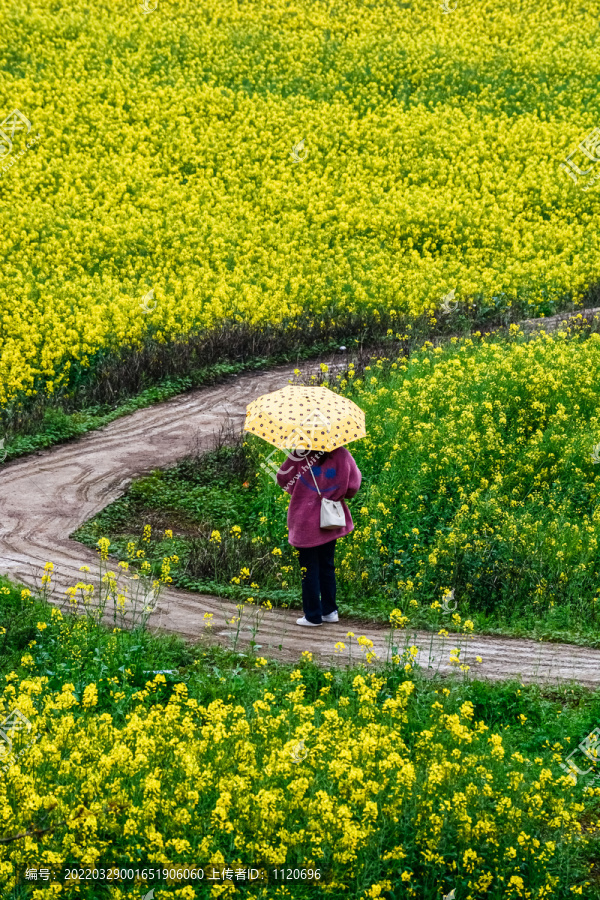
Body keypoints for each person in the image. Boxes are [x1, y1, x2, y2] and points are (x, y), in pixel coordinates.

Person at [276, 445, 362, 626]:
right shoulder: (342, 453)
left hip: (304, 520)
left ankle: (313, 615)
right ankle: (329, 611)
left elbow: (283, 478)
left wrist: (301, 493)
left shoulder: (300, 454)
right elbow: (353, 486)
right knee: (327, 566)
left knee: (308, 569)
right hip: (330, 520)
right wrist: (335, 494)